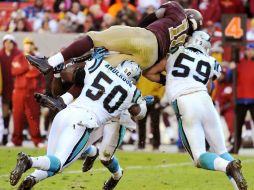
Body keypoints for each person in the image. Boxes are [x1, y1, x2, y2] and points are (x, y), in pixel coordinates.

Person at [10, 58, 147, 190]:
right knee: (58, 164)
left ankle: (31, 178)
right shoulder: (133, 92)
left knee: (52, 159)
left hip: (66, 113)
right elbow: (140, 114)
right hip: (84, 121)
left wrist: (60, 69)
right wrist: (141, 102)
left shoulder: (101, 65)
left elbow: (74, 74)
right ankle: (29, 161)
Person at [145, 31, 247, 190]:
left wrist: (170, 80)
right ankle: (237, 183)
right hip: (205, 100)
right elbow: (209, 86)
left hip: (185, 100)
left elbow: (150, 72)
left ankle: (228, 167)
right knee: (221, 151)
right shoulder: (211, 60)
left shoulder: (175, 52)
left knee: (199, 157)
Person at [26, 1, 203, 78]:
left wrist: (139, 29)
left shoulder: (177, 10)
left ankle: (51, 63)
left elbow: (155, 14)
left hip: (147, 38)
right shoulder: (182, 43)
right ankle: (64, 100)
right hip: (150, 59)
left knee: (95, 38)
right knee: (100, 67)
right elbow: (162, 66)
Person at [7, 37, 44, 147]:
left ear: (33, 45)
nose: (28, 45)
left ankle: (37, 140)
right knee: (17, 116)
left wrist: (24, 70)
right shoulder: (17, 58)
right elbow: (14, 71)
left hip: (32, 91)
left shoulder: (37, 58)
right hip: (19, 91)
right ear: (23, 45)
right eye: (26, 43)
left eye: (30, 43)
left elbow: (37, 73)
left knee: (33, 116)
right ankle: (16, 140)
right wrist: (27, 67)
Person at [0, 34, 21, 145]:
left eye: (10, 42)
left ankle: (16, 137)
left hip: (16, 88)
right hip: (4, 88)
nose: (8, 44)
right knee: (4, 113)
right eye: (6, 42)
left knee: (16, 113)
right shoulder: (0, 54)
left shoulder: (19, 54)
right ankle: (4, 133)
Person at [233, 43, 254, 154]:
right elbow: (229, 78)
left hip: (253, 99)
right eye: (248, 50)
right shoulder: (239, 63)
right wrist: (232, 69)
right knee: (238, 125)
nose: (250, 52)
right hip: (241, 98)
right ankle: (235, 147)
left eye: (252, 50)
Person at [136, 75, 165, 150]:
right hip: (142, 99)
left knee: (155, 123)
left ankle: (156, 145)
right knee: (141, 122)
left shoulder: (157, 73)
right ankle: (141, 144)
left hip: (154, 99)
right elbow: (136, 86)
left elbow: (162, 86)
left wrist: (159, 97)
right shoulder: (140, 74)